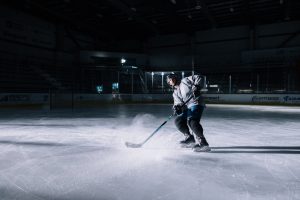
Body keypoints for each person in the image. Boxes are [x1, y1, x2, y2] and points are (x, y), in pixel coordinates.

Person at [166, 73, 210, 152]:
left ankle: (203, 143)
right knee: (178, 120)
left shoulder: (185, 80)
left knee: (192, 120)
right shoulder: (175, 93)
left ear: (175, 78)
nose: (170, 81)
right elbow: (177, 104)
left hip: (196, 102)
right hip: (187, 108)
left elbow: (200, 77)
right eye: (169, 81)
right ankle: (189, 138)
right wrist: (177, 108)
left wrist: (197, 86)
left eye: (171, 79)